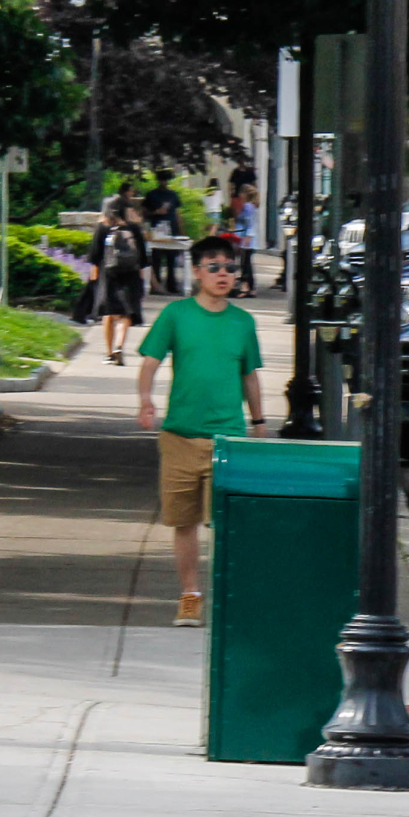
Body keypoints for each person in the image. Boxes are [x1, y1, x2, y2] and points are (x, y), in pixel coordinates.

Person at [134, 237, 267, 627]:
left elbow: (250, 376)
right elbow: (150, 362)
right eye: (214, 266)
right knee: (184, 521)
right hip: (179, 436)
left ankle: (228, 598)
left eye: (230, 267)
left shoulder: (243, 322)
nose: (223, 274)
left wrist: (259, 423)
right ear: (197, 271)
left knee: (226, 523)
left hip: (227, 438)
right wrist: (145, 399)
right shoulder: (176, 315)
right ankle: (190, 595)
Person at [89, 205, 149, 363]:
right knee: (125, 314)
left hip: (108, 275)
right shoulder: (133, 228)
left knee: (108, 313)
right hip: (131, 275)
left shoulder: (103, 228)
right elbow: (143, 256)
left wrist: (94, 276)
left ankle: (109, 353)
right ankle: (119, 346)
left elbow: (95, 255)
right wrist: (142, 278)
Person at [140, 173, 185, 295]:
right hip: (157, 229)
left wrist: (181, 229)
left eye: (166, 180)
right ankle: (157, 285)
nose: (164, 182)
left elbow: (177, 213)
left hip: (171, 229)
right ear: (158, 181)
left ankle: (172, 285)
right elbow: (144, 213)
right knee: (156, 258)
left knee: (172, 259)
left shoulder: (173, 195)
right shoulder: (151, 195)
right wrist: (156, 212)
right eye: (162, 180)